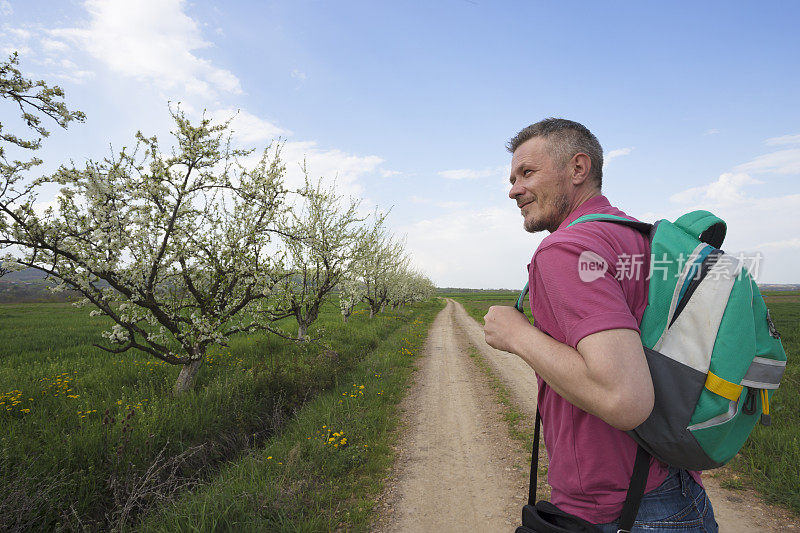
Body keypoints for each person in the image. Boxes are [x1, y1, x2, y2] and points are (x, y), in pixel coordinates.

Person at [483, 118, 718, 532]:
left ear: (577, 168)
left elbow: (624, 398)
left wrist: (517, 336)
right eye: (513, 177)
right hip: (678, 487)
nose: (513, 189)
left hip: (621, 510)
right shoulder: (638, 240)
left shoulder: (567, 249)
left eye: (528, 172)